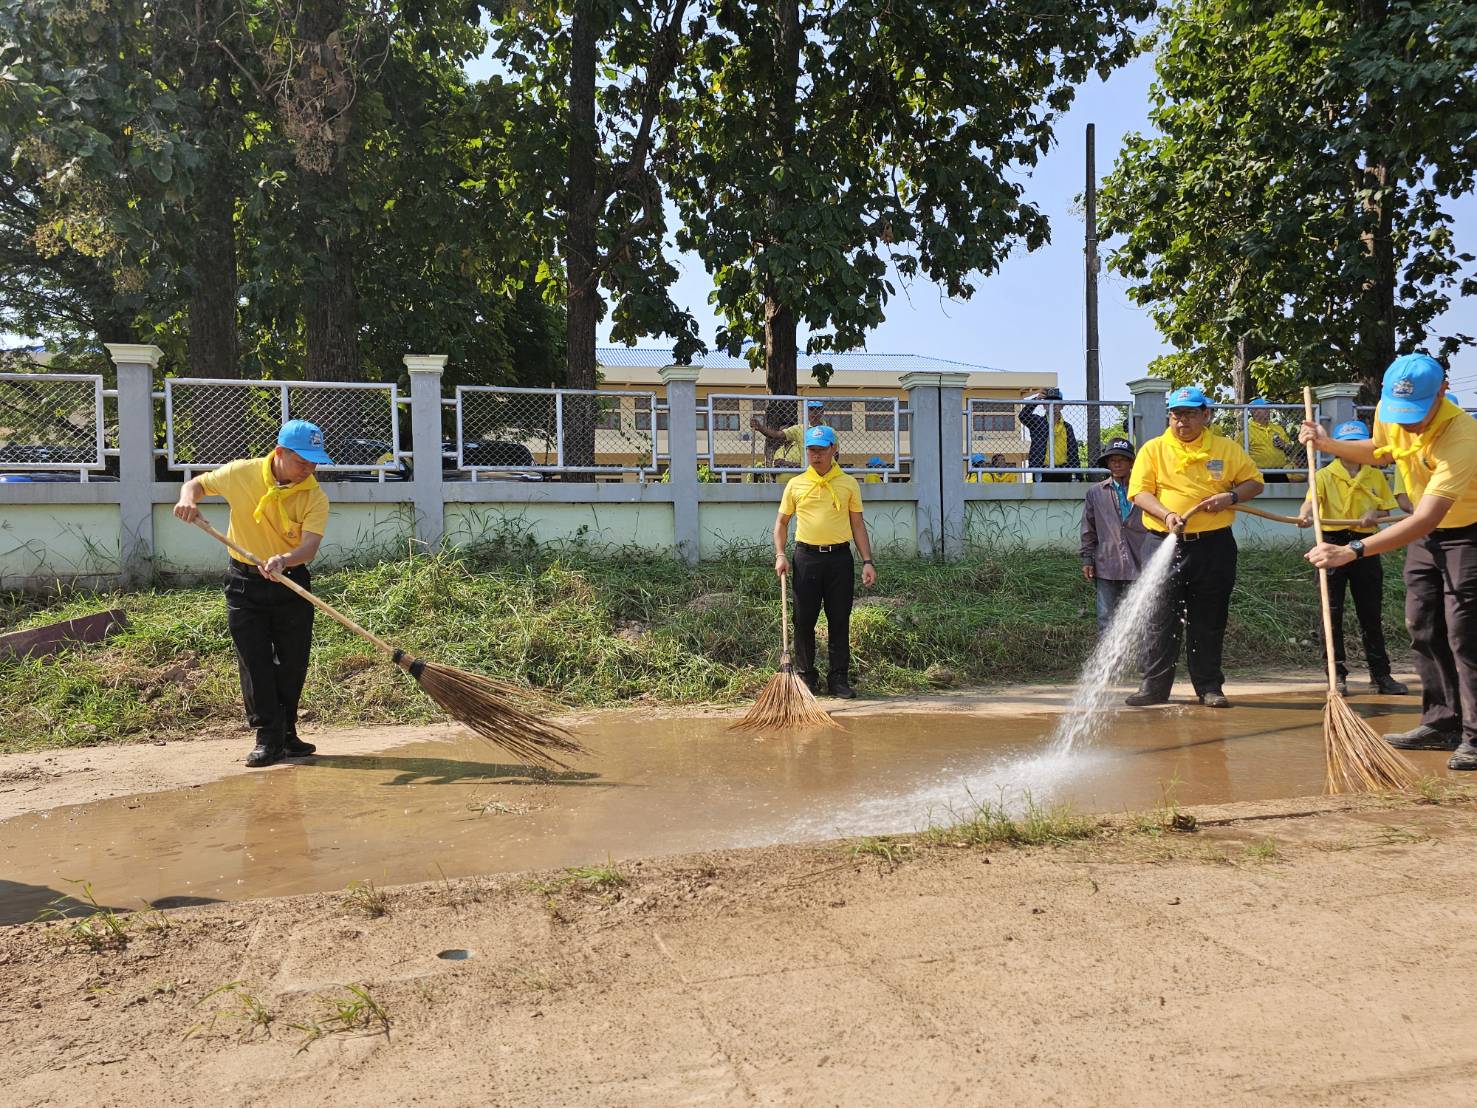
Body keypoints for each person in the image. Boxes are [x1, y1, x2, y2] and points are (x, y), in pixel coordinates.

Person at [1301, 354, 1477, 771]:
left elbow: (1425, 516)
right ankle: (1441, 723)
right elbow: (1380, 453)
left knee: (1465, 632)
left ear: (1442, 393)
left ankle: (1475, 735)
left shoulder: (1463, 437)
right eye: (1401, 413)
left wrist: (1353, 550)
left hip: (1468, 530)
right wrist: (1327, 444)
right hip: (1429, 533)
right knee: (1422, 624)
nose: (1408, 423)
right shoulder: (1390, 411)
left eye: (1416, 413)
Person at [172, 420, 333, 768]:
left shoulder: (314, 496)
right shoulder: (241, 473)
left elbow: (310, 546)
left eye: (315, 462)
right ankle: (267, 738)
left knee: (292, 662)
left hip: (291, 582)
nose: (310, 469)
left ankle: (286, 733)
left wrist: (285, 560)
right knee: (255, 661)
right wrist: (187, 499)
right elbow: (197, 484)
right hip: (244, 584)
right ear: (279, 453)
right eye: (302, 461)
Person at [1126, 385, 1265, 708]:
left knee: (1209, 618)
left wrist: (1230, 497)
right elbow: (1140, 493)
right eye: (1176, 415)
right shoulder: (1153, 449)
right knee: (1159, 617)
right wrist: (1167, 514)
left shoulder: (1226, 448)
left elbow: (1254, 482)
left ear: (1206, 414)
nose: (1182, 421)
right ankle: (1154, 688)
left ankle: (1209, 687)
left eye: (1190, 414)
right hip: (1164, 542)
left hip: (1214, 547)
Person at [1295, 420, 1408, 697]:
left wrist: (1375, 514)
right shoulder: (1322, 475)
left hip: (1365, 545)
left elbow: (1385, 508)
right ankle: (1337, 674)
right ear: (1338, 448)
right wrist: (1306, 513)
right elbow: (1311, 501)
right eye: (1350, 444)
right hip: (1331, 543)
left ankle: (1381, 674)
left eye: (1360, 443)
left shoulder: (1375, 475)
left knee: (1370, 612)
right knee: (1330, 612)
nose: (1354, 449)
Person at [773, 425, 877, 699]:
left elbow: (858, 524)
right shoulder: (795, 485)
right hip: (806, 558)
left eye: (820, 450)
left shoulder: (848, 484)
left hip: (839, 560)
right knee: (803, 620)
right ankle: (807, 678)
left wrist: (867, 561)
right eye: (811, 450)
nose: (815, 455)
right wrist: (780, 554)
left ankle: (838, 679)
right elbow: (781, 523)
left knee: (839, 619)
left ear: (834, 449)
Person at [1080, 437, 1149, 635]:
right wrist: (1087, 558)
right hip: (1107, 564)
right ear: (1107, 464)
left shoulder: (1146, 491)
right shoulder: (1096, 493)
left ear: (1131, 463)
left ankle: (1142, 660)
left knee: (1141, 615)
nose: (1117, 463)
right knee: (1106, 618)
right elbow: (1088, 529)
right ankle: (1108, 663)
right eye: (1112, 460)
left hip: (1141, 562)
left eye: (1122, 459)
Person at [1018, 388, 1080, 481]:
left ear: (1062, 406)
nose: (1053, 405)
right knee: (1042, 495)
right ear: (1043, 405)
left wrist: (1078, 474)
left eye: (1056, 402)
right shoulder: (1037, 422)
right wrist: (1037, 399)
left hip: (1064, 470)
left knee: (1064, 496)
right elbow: (1023, 416)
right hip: (1042, 470)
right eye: (1048, 401)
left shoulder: (1067, 427)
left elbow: (1073, 451)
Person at [751, 399, 824, 469]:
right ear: (806, 411)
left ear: (822, 411)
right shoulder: (800, 429)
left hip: (825, 471)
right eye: (811, 409)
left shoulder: (830, 431)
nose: (814, 412)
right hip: (808, 472)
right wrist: (760, 428)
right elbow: (778, 435)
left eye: (818, 409)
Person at [1246, 398, 1297, 483]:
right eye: (1264, 408)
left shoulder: (1278, 428)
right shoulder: (1246, 432)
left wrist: (1284, 445)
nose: (1268, 410)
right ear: (1254, 411)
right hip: (1257, 473)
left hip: (1279, 472)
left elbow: (1290, 450)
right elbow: (1239, 454)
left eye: (1268, 408)